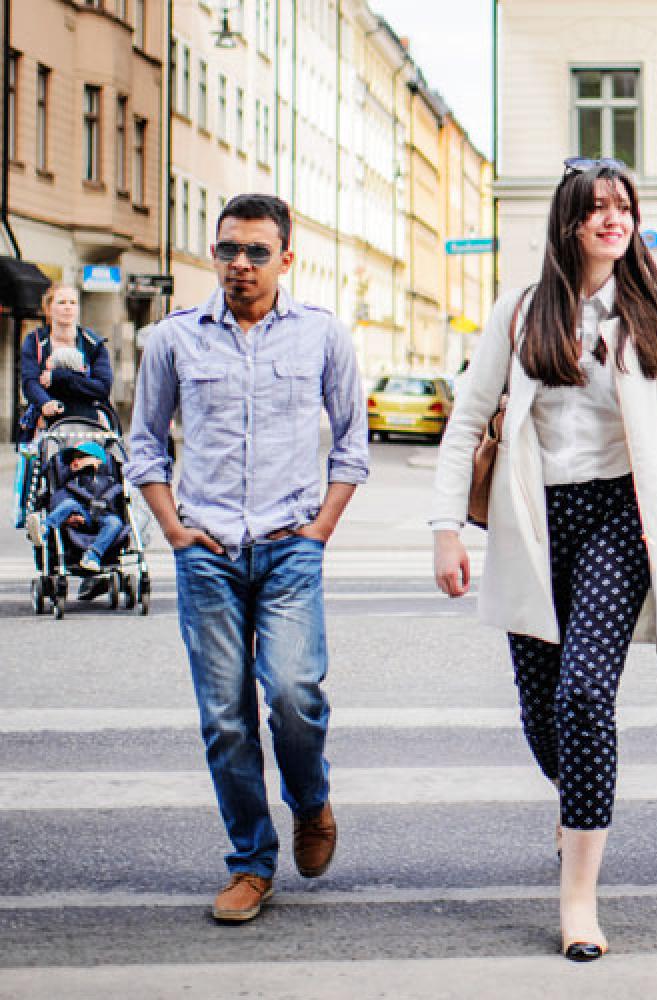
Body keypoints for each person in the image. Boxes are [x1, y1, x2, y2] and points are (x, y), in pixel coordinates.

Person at [430, 158, 657, 960]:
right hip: (532, 521)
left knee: (586, 693)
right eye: (596, 208)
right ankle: (579, 814)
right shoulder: (522, 311)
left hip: (619, 520)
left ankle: (579, 898)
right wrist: (445, 528)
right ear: (568, 223)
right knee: (542, 713)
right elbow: (465, 423)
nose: (613, 218)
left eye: (623, 205)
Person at [126, 193, 368, 922]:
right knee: (225, 720)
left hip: (290, 547)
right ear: (214, 253)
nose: (241, 263)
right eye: (229, 248)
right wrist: (172, 530)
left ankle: (312, 800)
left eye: (258, 251)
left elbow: (352, 446)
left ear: (286, 259)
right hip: (207, 552)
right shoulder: (173, 339)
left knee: (295, 697)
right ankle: (249, 863)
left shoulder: (323, 336)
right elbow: (144, 446)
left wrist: (319, 530)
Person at [19, 282, 114, 437]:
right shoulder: (35, 341)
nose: (68, 307)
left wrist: (59, 377)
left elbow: (102, 388)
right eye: (61, 302)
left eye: (73, 302)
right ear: (48, 309)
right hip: (48, 417)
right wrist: (45, 403)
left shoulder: (94, 344)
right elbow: (30, 381)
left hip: (88, 418)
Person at [43, 441, 126, 573]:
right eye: (73, 459)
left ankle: (92, 555)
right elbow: (60, 497)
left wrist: (106, 502)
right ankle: (44, 528)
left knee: (115, 522)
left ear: (98, 460)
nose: (75, 461)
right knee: (68, 503)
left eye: (80, 457)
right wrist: (68, 518)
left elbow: (117, 498)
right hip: (82, 514)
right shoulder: (73, 480)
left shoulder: (110, 481)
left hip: (104, 516)